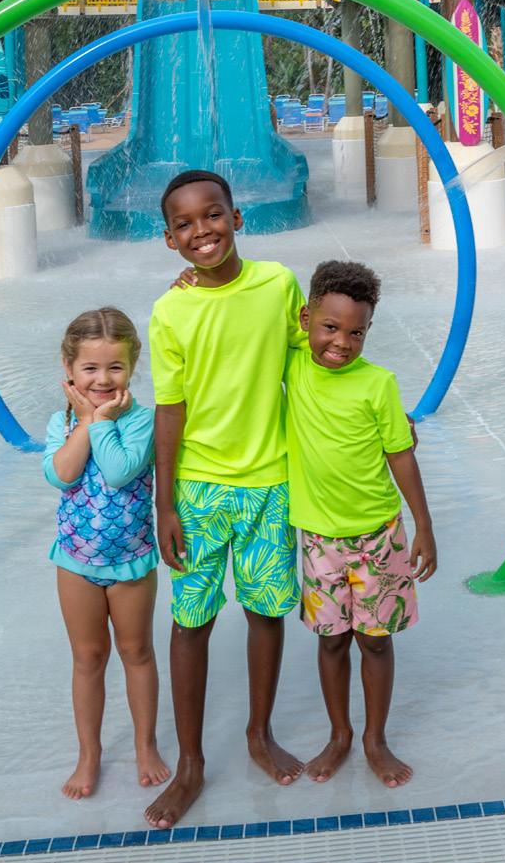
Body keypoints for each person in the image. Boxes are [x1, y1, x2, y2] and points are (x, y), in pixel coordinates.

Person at [145, 170, 306, 829]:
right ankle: (190, 764)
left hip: (271, 484)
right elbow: (170, 409)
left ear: (237, 218)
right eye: (184, 224)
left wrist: (378, 418)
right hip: (200, 491)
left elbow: (311, 364)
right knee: (192, 621)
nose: (201, 230)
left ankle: (259, 734)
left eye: (212, 215)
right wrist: (165, 503)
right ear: (169, 240)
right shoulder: (170, 311)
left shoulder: (278, 284)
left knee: (267, 611)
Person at [285, 260, 437, 788]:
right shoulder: (291, 364)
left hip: (379, 535)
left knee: (374, 641)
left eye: (357, 333)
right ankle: (340, 735)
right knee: (331, 640)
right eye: (330, 327)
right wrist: (191, 280)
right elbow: (245, 316)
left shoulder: (378, 384)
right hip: (318, 538)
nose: (342, 342)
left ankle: (375, 738)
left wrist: (424, 525)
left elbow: (401, 455)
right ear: (305, 320)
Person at [42, 308, 169, 800]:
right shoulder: (61, 423)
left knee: (137, 652)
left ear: (132, 366)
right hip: (76, 562)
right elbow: (61, 474)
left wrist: (101, 422)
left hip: (131, 562)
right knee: (88, 658)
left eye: (114, 367)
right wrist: (86, 422)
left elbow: (118, 472)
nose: (102, 379)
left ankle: (145, 746)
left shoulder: (141, 421)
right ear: (69, 368)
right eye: (90, 368)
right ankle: (89, 754)